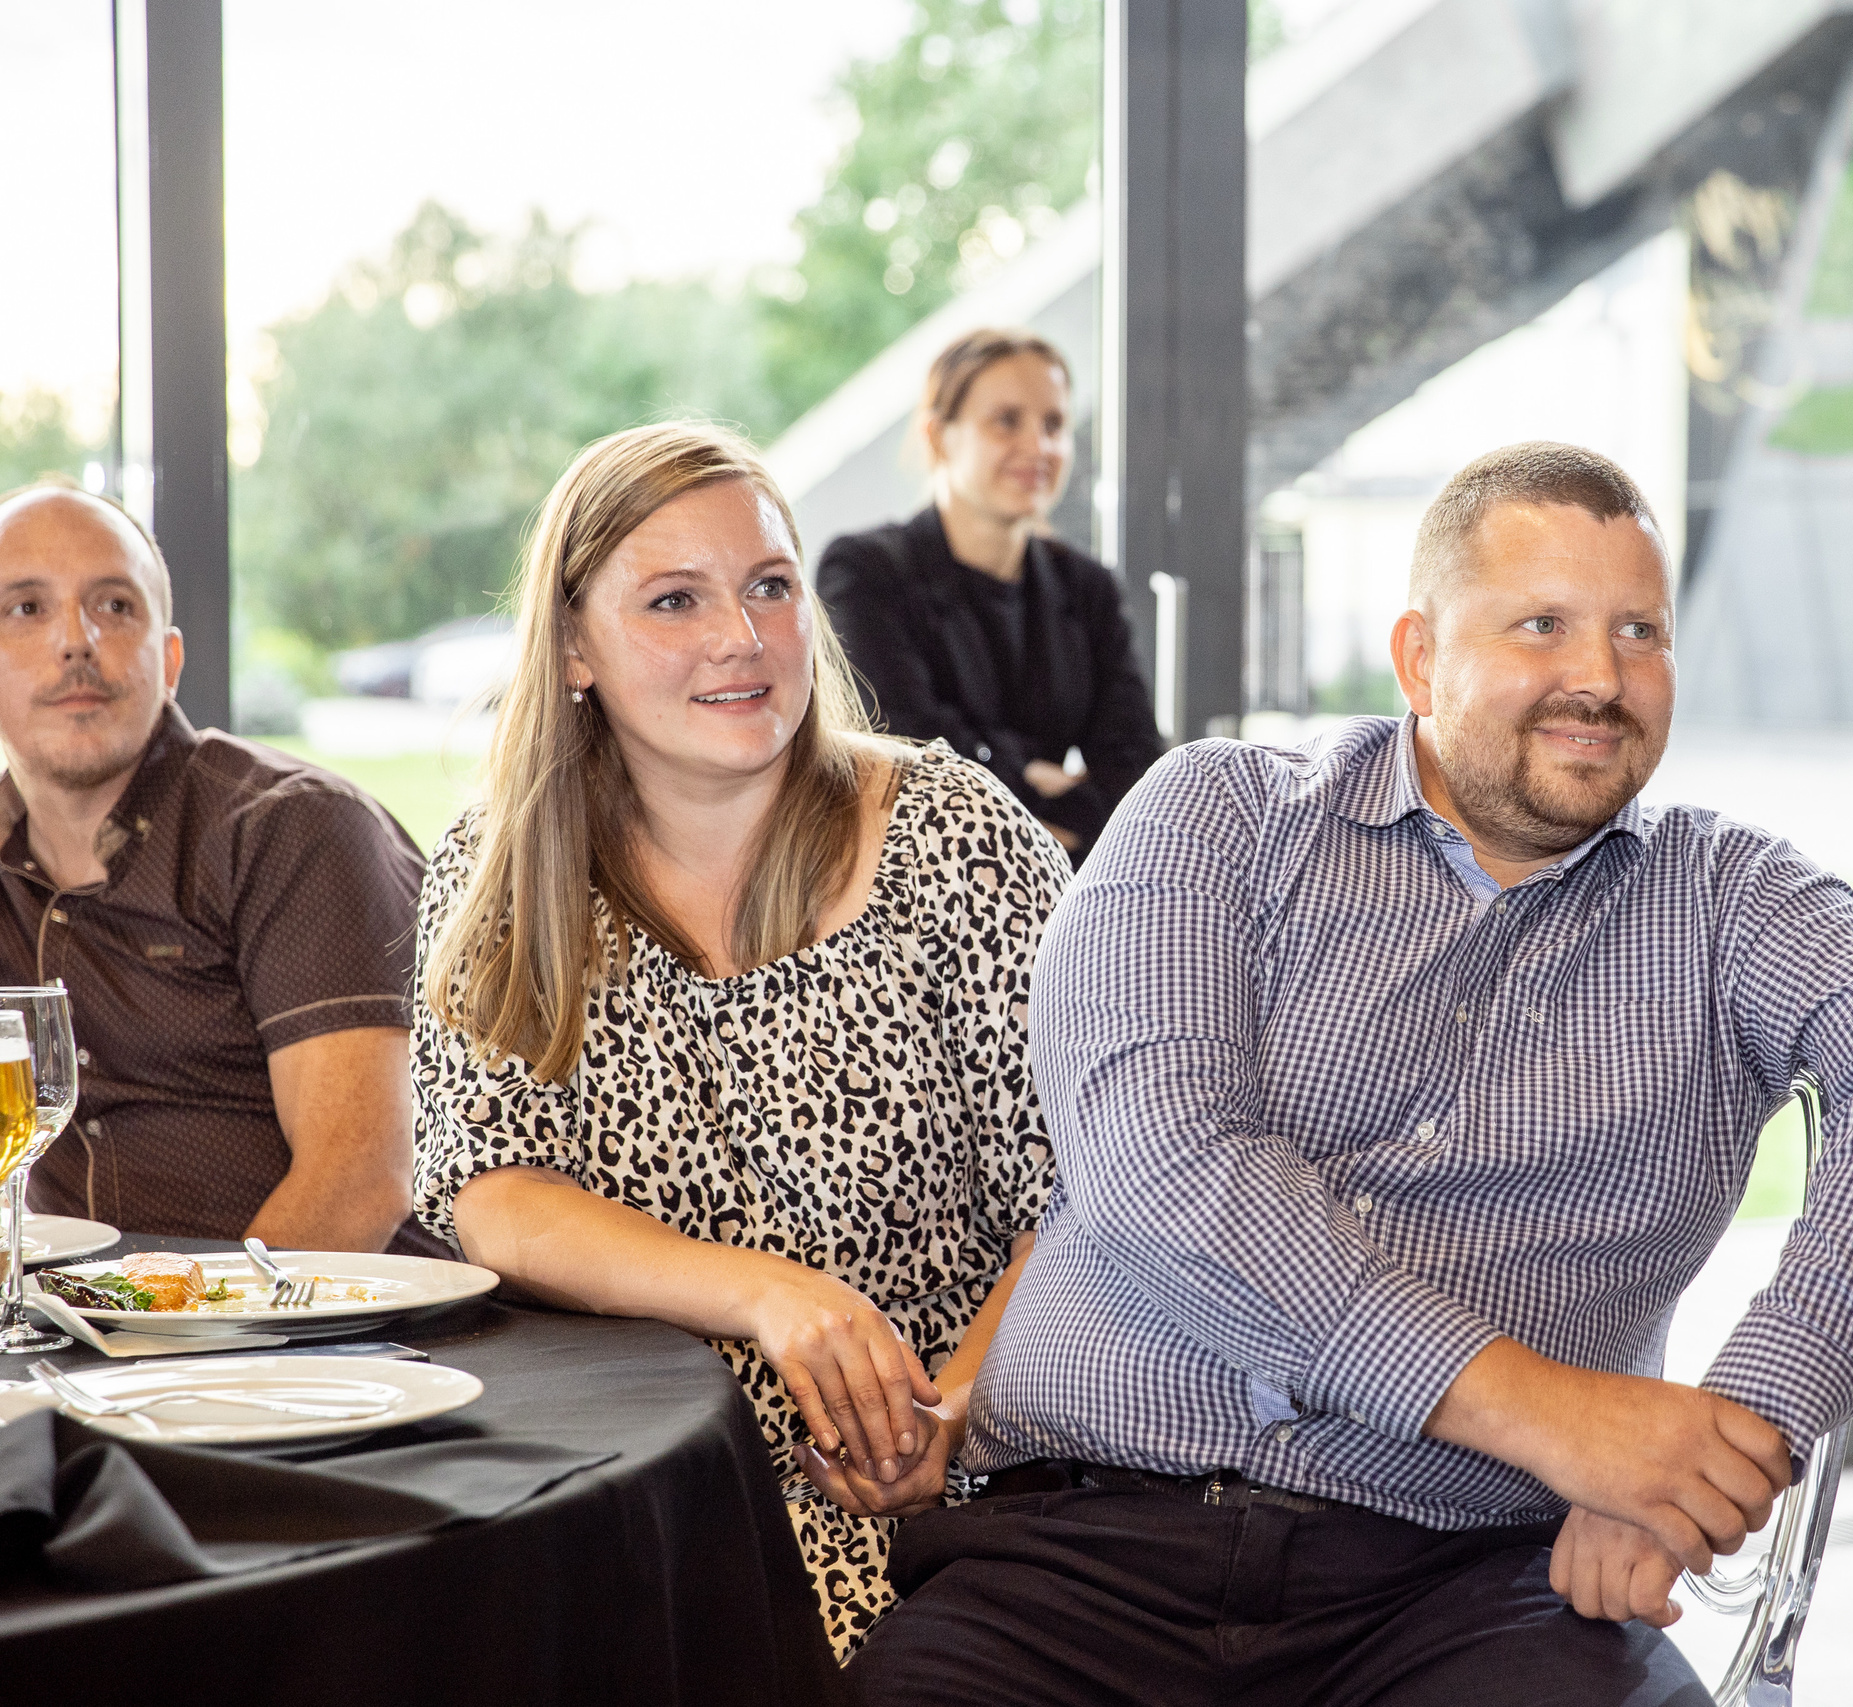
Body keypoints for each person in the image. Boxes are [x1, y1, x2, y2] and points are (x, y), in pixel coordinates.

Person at [854, 442, 1853, 1703]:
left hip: (1475, 1586)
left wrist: (1717, 1448)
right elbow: (1165, 1161)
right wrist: (1557, 1422)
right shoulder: (1217, 815)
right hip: (1081, 1556)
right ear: (1418, 658)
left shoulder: (1733, 898)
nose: (1601, 677)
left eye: (1642, 631)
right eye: (1543, 625)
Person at [409, 422, 1065, 1660]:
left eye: (771, 584)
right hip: (639, 1497)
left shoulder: (954, 838)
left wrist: (958, 1416)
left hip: (971, 1489)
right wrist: (771, 1296)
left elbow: (1082, 1199)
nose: (742, 638)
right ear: (572, 650)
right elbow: (491, 1193)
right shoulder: (502, 875)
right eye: (674, 600)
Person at [0, 477, 432, 1253]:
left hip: (347, 1340)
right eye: (26, 608)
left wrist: (178, 1348)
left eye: (115, 605)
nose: (76, 640)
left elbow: (359, 1180)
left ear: (168, 661)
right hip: (95, 1336)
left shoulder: (294, 829)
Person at [815, 328, 1160, 865]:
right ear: (938, 437)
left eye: (1054, 424)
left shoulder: (1088, 588)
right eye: (1007, 421)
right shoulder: (866, 572)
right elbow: (904, 752)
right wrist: (1029, 774)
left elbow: (1138, 769)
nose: (1039, 447)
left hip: (1062, 893)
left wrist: (1003, 774)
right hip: (912, 881)